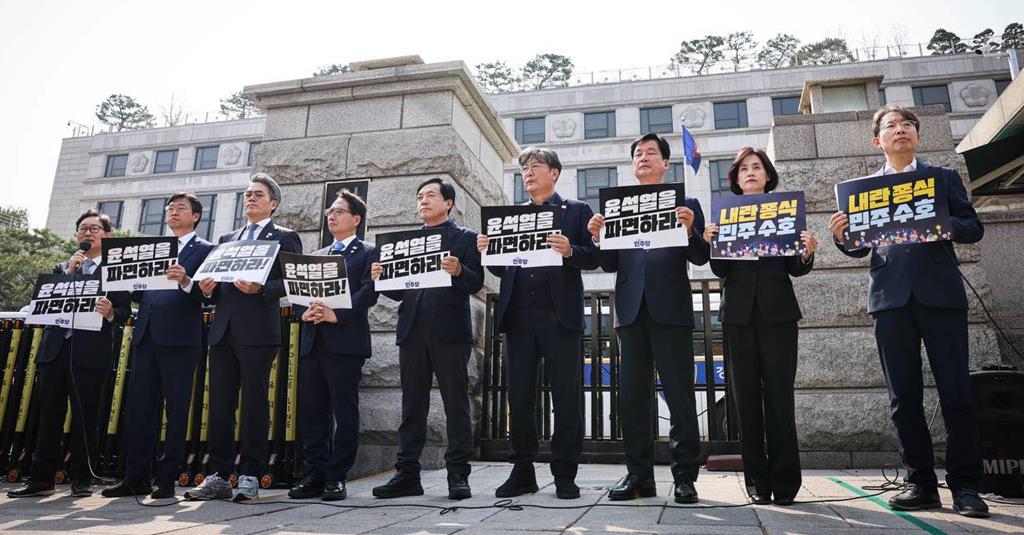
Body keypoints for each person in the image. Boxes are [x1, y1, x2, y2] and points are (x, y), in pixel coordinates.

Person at [828, 105, 988, 518]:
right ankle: (920, 483)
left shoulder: (943, 179)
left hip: (941, 296)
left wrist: (940, 221)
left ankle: (966, 487)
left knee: (957, 394)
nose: (900, 131)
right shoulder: (863, 191)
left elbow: (973, 228)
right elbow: (858, 246)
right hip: (890, 298)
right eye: (890, 126)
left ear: (917, 136)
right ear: (876, 140)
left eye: (907, 126)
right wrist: (843, 236)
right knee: (903, 398)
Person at [587, 133, 710, 503]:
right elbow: (609, 263)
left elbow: (701, 257)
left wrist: (690, 231)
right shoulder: (619, 207)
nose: (643, 158)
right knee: (633, 399)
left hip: (670, 310)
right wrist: (597, 238)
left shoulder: (685, 202)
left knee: (680, 396)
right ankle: (638, 475)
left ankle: (685, 476)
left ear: (665, 163)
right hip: (630, 312)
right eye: (638, 154)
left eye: (651, 153)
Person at [476, 147, 599, 500]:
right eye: (524, 169)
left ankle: (564, 472)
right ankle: (522, 470)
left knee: (566, 396)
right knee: (520, 395)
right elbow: (502, 268)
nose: (528, 173)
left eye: (536, 167)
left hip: (560, 316)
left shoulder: (576, 211)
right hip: (519, 318)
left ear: (555, 173)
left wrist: (571, 250)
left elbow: (595, 257)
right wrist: (488, 251)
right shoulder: (512, 217)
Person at [703, 148, 817, 506]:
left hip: (779, 315)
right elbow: (721, 272)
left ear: (768, 176)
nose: (750, 173)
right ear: (735, 179)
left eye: (757, 168)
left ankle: (786, 482)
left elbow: (795, 269)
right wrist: (712, 244)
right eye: (743, 169)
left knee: (780, 399)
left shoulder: (784, 212)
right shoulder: (724, 216)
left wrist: (807, 251)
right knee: (745, 400)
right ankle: (757, 482)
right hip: (737, 316)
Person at [187, 173, 303, 502]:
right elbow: (217, 285)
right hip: (223, 331)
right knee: (220, 405)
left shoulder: (285, 237)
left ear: (273, 203)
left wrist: (263, 288)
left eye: (258, 194)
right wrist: (207, 288)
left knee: (254, 404)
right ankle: (219, 475)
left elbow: (294, 282)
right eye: (247, 194)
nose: (250, 198)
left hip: (258, 332)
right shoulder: (226, 238)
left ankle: (251, 473)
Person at [370, 177, 483, 501]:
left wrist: (460, 270)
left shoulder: (466, 239)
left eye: (430, 195)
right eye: (419, 196)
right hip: (413, 332)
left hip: (450, 332)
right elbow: (398, 291)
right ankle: (407, 475)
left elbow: (475, 283)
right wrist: (381, 279)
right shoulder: (406, 242)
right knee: (412, 406)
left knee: (456, 405)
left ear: (448, 203)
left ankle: (458, 475)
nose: (423, 201)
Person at [8, 210, 131, 498]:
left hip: (90, 353)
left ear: (107, 235)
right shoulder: (63, 267)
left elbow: (125, 311)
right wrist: (69, 274)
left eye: (95, 229)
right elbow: (42, 304)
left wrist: (111, 312)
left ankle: (81, 478)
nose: (88, 234)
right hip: (55, 350)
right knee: (47, 414)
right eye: (83, 229)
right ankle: (41, 479)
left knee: (86, 416)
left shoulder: (115, 271)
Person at [101, 193, 214, 499]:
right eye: (170, 208)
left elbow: (208, 296)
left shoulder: (207, 250)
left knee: (176, 411)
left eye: (180, 208)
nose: (173, 212)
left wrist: (186, 281)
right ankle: (135, 477)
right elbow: (142, 293)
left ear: (196, 216)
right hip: (146, 334)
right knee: (140, 410)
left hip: (180, 338)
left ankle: (166, 479)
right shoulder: (152, 249)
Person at [288, 189, 377, 502]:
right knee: (313, 413)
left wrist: (335, 315)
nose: (332, 215)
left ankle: (336, 476)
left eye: (339, 211)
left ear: (356, 219)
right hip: (313, 342)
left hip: (345, 344)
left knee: (345, 412)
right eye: (330, 211)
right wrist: (307, 311)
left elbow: (370, 293)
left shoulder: (368, 252)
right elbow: (299, 296)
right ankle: (315, 473)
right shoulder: (318, 255)